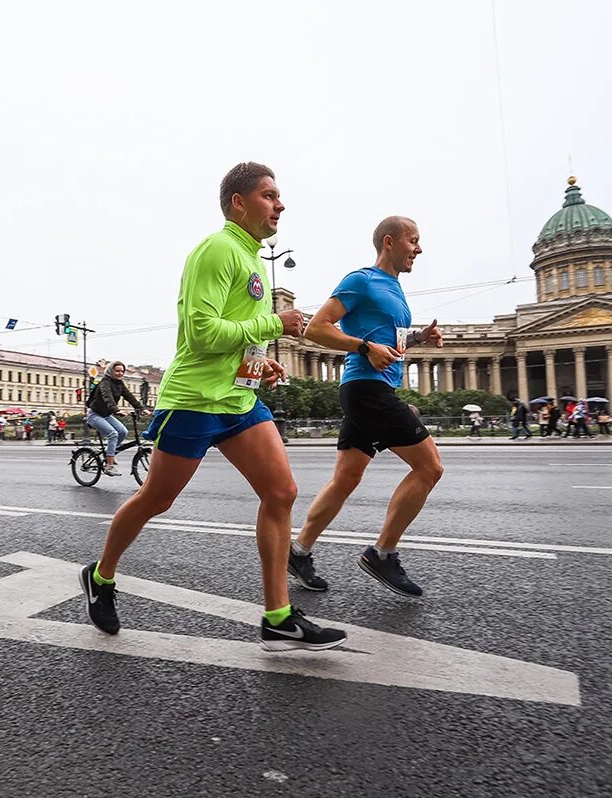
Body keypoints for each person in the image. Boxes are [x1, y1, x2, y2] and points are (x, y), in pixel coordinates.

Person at [79, 162, 346, 651]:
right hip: (196, 401)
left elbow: (234, 335)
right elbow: (200, 334)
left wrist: (260, 364)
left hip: (238, 400)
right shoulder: (217, 250)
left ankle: (278, 617)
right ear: (238, 203)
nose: (280, 205)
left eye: (279, 196)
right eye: (269, 196)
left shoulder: (250, 262)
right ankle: (100, 575)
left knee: (282, 491)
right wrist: (272, 326)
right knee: (156, 499)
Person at [287, 216, 445, 597]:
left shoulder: (395, 289)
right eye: (414, 240)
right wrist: (363, 347)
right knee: (429, 468)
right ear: (389, 242)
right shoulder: (362, 280)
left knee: (346, 479)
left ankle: (298, 551)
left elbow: (390, 341)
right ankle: (383, 553)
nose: (419, 249)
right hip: (366, 389)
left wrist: (420, 337)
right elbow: (316, 328)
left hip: (369, 389)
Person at [85, 361, 147, 475]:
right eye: (117, 371)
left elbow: (130, 397)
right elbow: (107, 397)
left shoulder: (120, 384)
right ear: (110, 371)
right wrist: (116, 410)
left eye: (122, 371)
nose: (120, 373)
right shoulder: (105, 383)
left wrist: (141, 408)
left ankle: (110, 453)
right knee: (113, 433)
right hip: (94, 414)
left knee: (123, 432)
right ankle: (109, 466)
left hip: (106, 415)